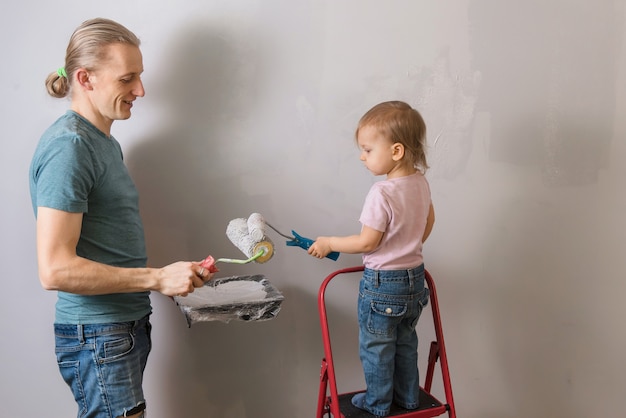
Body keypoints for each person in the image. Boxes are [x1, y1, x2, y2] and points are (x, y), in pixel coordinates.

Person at [29, 18, 214, 418]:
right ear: (86, 78)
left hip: (120, 329)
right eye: (127, 79)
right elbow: (54, 269)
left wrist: (169, 278)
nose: (141, 90)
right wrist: (157, 277)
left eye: (140, 77)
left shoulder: (103, 143)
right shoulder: (70, 148)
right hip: (100, 334)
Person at [308, 100, 435, 417]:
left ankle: (377, 404)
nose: (362, 157)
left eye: (367, 150)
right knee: (405, 343)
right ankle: (407, 398)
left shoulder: (382, 193)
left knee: (377, 348)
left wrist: (328, 242)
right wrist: (407, 245)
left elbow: (368, 241)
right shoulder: (420, 183)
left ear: (396, 152)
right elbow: (427, 223)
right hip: (415, 280)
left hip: (382, 286)